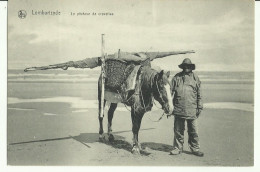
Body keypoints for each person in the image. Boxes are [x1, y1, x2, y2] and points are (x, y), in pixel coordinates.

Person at [170, 58, 204, 157]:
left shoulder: (195, 78)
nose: (186, 68)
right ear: (182, 67)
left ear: (191, 67)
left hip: (192, 109)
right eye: (184, 66)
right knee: (178, 131)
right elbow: (170, 92)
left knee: (193, 131)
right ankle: (177, 148)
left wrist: (199, 107)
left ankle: (195, 149)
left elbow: (199, 94)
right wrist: (169, 107)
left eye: (188, 66)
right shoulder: (176, 77)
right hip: (178, 108)